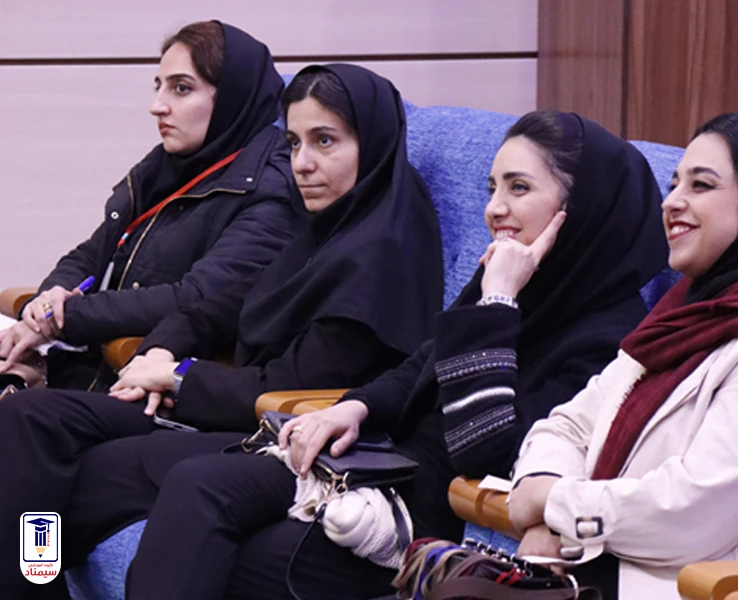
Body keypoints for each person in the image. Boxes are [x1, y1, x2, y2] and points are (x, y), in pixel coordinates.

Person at [117, 110, 670, 600]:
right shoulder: (517, 277)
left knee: (233, 559)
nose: (494, 209)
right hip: (372, 468)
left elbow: (485, 451)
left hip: (423, 518)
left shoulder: (606, 339)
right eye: (491, 187)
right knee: (197, 485)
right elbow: (424, 362)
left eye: (518, 188)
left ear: (581, 208)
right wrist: (354, 407)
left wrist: (498, 303)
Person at [0, 64, 443, 599]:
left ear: (371, 143)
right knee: (29, 417)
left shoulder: (385, 252)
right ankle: (29, 584)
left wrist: (179, 378)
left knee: (75, 477)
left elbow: (296, 383)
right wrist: (158, 353)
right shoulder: (323, 228)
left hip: (277, 429)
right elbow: (219, 306)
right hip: (215, 405)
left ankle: (30, 579)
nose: (302, 164)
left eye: (324, 141)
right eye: (294, 143)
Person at [507, 113, 738, 600]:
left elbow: (693, 513)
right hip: (608, 571)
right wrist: (545, 500)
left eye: (700, 185)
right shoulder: (679, 319)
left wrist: (554, 505)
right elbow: (564, 427)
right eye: (673, 184)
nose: (672, 202)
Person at [0, 20, 301, 391]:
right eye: (160, 87)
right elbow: (91, 254)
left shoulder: (274, 190)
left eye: (181, 88)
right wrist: (50, 300)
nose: (157, 107)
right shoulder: (166, 167)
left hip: (148, 386)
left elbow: (195, 298)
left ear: (232, 97)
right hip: (82, 366)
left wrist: (63, 318)